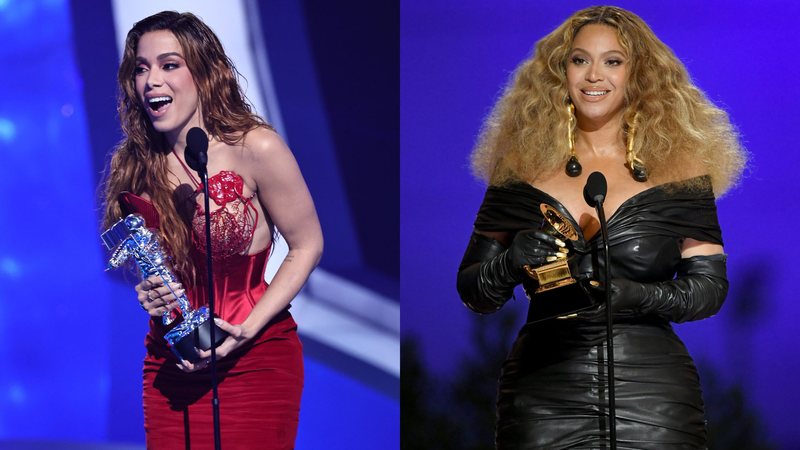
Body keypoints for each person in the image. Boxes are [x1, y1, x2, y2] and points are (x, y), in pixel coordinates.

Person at [456, 6, 745, 449]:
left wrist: (635, 296)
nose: (594, 75)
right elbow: (473, 289)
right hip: (543, 391)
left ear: (638, 74)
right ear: (561, 71)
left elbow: (709, 289)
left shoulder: (681, 171)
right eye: (579, 60)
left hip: (651, 394)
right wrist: (510, 264)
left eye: (613, 61)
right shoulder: (519, 169)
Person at [101, 11, 323, 449]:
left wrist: (249, 326)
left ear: (203, 72)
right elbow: (152, 267)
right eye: (141, 69)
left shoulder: (255, 146)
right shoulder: (133, 166)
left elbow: (308, 244)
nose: (152, 81)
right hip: (173, 365)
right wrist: (151, 293)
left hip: (256, 355)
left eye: (169, 65)